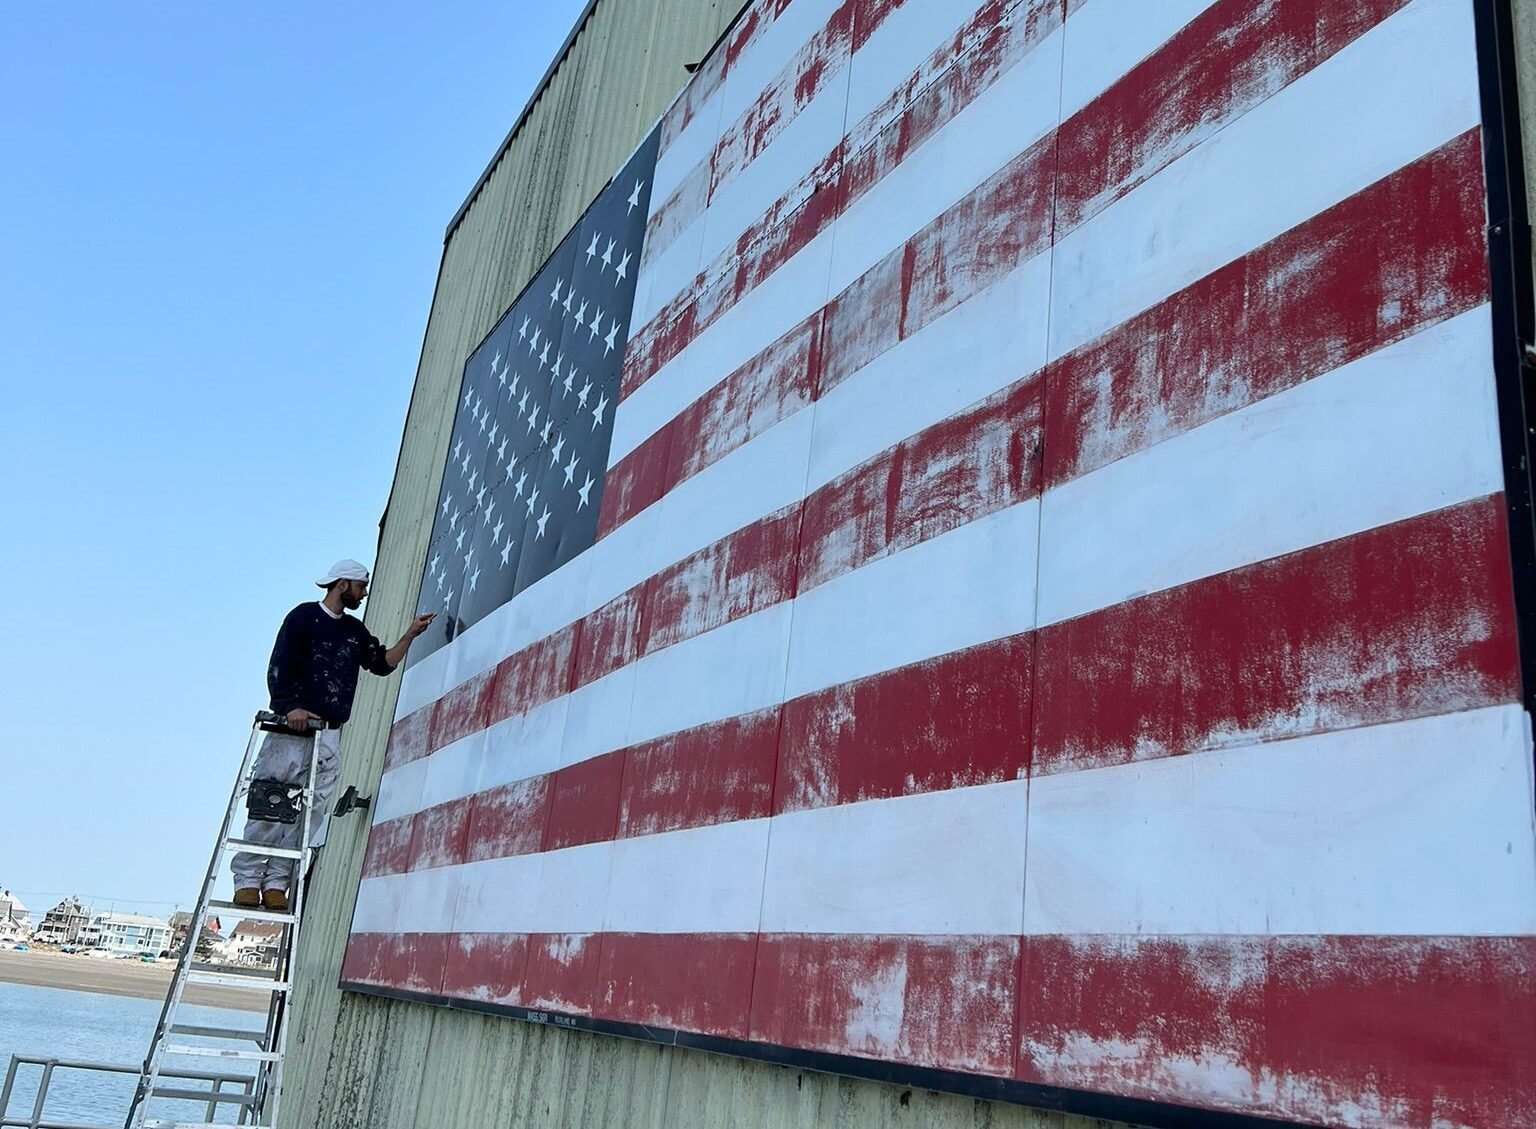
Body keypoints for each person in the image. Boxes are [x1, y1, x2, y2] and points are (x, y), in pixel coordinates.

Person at [231, 559, 435, 909]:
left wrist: (410, 635)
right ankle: (248, 880)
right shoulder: (303, 617)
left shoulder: (354, 632)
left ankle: (278, 883)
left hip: (328, 734)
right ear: (343, 585)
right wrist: (288, 706)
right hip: (291, 730)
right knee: (270, 803)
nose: (364, 592)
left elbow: (381, 663)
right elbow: (280, 664)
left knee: (310, 812)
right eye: (360, 586)